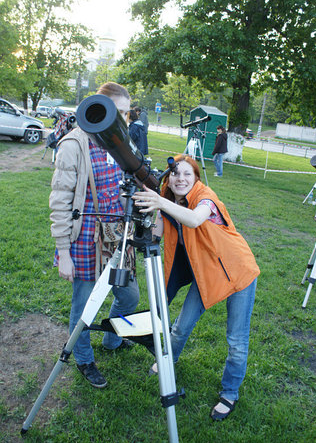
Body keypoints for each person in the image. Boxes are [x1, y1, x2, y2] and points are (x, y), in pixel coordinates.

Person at [132, 154, 260, 421]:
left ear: (197, 178)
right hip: (208, 273)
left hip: (238, 272)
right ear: (168, 177)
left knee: (236, 341)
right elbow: (156, 233)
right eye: (175, 173)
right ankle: (170, 361)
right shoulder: (169, 202)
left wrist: (160, 202)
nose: (181, 179)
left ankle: (230, 393)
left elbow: (192, 219)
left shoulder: (206, 199)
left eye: (187, 174)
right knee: (180, 326)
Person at [49, 82, 139, 389]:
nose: (127, 119)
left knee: (129, 296)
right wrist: (63, 253)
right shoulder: (73, 144)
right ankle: (84, 358)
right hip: (85, 238)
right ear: (103, 109)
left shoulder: (118, 140)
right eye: (123, 112)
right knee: (84, 306)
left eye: (129, 113)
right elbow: (60, 201)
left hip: (116, 235)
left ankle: (113, 341)